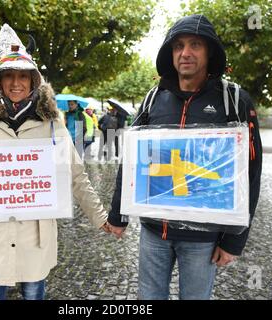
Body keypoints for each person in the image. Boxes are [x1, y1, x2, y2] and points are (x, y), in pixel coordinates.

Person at [0, 24, 111, 300]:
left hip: (35, 235)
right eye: (8, 75)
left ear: (34, 79)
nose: (16, 83)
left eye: (23, 75)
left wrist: (100, 218)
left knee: (34, 292)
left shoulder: (51, 122)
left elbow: (75, 175)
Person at [107, 14, 263, 300]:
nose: (185, 53)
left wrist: (234, 240)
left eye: (195, 45)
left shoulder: (234, 101)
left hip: (203, 237)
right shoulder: (154, 99)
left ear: (210, 52)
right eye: (178, 46)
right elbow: (131, 161)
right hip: (154, 232)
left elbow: (250, 173)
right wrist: (117, 215)